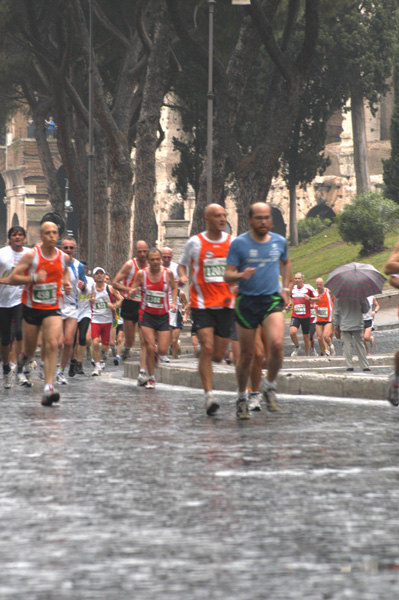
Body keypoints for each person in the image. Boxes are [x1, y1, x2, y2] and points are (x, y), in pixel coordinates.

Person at [225, 202, 291, 418]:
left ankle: (270, 386)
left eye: (267, 218)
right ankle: (242, 397)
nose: (264, 222)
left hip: (271, 300)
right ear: (250, 220)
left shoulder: (279, 242)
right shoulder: (239, 244)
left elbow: (286, 261)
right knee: (246, 356)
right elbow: (228, 275)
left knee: (278, 344)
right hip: (247, 302)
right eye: (259, 218)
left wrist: (286, 289)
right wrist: (240, 275)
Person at [4, 221, 72, 405]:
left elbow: (64, 271)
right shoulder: (32, 256)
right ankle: (22, 360)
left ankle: (49, 387)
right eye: (48, 233)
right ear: (41, 236)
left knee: (51, 343)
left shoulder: (62, 257)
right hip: (32, 308)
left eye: (54, 233)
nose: (52, 236)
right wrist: (33, 277)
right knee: (30, 349)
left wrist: (67, 282)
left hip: (52, 307)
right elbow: (13, 278)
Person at [178, 203, 235, 415]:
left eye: (224, 215)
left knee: (219, 355)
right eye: (217, 216)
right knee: (208, 347)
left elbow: (236, 267)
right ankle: (209, 395)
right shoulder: (195, 242)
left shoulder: (232, 242)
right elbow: (182, 264)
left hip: (226, 304)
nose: (222, 219)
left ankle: (205, 354)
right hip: (202, 304)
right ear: (207, 219)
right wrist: (183, 276)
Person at [130, 248, 177, 389]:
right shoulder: (141, 274)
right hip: (146, 315)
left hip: (163, 315)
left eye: (158, 259)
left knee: (162, 350)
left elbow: (174, 288)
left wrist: (173, 302)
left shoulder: (167, 273)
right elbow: (133, 289)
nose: (156, 262)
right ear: (148, 261)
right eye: (153, 260)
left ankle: (156, 355)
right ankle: (151, 378)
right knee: (150, 347)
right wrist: (133, 292)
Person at [113, 240, 148, 385]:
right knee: (130, 340)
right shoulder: (129, 265)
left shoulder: (150, 265)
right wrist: (129, 290)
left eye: (144, 251)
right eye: (139, 252)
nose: (142, 254)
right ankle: (126, 348)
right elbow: (115, 282)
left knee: (144, 341)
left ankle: (143, 372)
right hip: (129, 304)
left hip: (144, 305)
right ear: (135, 252)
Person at [0, 226, 29, 388]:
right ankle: (5, 366)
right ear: (10, 238)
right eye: (14, 235)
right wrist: (4, 281)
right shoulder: (2, 253)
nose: (17, 237)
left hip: (21, 299)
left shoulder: (29, 254)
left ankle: (19, 368)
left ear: (24, 237)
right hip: (3, 300)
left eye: (20, 235)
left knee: (19, 332)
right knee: (5, 339)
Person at [56, 236, 87, 384]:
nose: (68, 250)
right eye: (65, 247)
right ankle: (48, 366)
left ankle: (60, 371)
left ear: (75, 249)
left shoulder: (79, 266)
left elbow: (85, 288)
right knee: (58, 341)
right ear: (61, 248)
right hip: (55, 306)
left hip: (71, 307)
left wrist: (82, 287)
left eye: (71, 248)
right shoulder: (54, 262)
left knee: (69, 342)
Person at [90, 267, 122, 376]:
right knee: (95, 343)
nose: (99, 275)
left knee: (105, 347)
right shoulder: (91, 289)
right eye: (97, 273)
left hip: (108, 321)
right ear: (94, 277)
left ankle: (102, 360)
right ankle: (97, 366)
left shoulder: (110, 289)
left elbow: (121, 299)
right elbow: (82, 299)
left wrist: (114, 306)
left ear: (104, 276)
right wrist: (90, 300)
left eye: (101, 273)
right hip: (95, 319)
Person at [333, 297, 370, 372]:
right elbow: (365, 309)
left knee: (347, 345)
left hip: (345, 324)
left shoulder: (339, 297)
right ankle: (364, 365)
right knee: (360, 345)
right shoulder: (360, 295)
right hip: (357, 323)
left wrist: (336, 325)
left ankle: (349, 365)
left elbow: (336, 312)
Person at [288, 273, 319, 356]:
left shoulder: (308, 288)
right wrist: (290, 303)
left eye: (299, 278)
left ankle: (307, 355)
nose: (297, 280)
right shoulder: (293, 288)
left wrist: (309, 298)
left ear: (302, 279)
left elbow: (318, 298)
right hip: (296, 315)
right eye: (296, 278)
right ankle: (297, 347)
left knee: (306, 337)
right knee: (292, 332)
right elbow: (291, 296)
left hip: (306, 316)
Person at [74, 261, 95, 375]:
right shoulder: (73, 280)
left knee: (83, 337)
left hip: (85, 312)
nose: (84, 271)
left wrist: (92, 298)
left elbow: (93, 293)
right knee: (73, 340)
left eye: (85, 270)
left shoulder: (91, 281)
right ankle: (73, 360)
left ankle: (79, 363)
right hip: (74, 311)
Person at [314, 277, 335, 357]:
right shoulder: (315, 293)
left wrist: (334, 308)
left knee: (326, 336)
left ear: (323, 284)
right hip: (319, 317)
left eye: (320, 284)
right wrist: (313, 306)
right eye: (317, 284)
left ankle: (330, 346)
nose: (319, 286)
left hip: (328, 317)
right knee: (319, 338)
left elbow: (334, 298)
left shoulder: (328, 291)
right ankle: (324, 353)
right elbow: (311, 303)